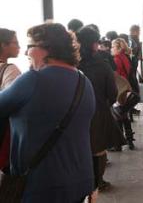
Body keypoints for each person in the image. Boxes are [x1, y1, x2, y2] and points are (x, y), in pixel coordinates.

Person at [0, 23, 96, 202]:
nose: (25, 52)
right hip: (82, 180)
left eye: (29, 46)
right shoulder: (84, 82)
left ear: (47, 48)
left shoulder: (32, 80)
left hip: (42, 184)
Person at [76, 26, 125, 194]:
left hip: (74, 115)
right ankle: (98, 182)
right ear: (94, 44)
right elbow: (112, 93)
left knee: (80, 147)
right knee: (98, 149)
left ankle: (82, 181)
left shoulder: (71, 64)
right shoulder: (101, 64)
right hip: (97, 111)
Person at [0, 28, 21, 172]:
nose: (19, 47)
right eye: (15, 43)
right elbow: (15, 101)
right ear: (3, 45)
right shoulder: (10, 69)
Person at [111, 38, 136, 150]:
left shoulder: (116, 59)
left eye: (113, 47)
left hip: (119, 89)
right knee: (124, 114)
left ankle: (119, 144)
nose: (111, 49)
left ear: (118, 48)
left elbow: (115, 75)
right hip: (126, 87)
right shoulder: (126, 57)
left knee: (118, 115)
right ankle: (130, 140)